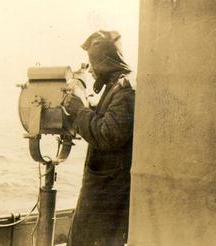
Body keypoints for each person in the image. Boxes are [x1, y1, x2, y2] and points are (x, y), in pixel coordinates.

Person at [63, 30, 135, 246]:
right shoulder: (116, 88)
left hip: (108, 194)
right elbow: (107, 116)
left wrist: (79, 111)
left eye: (93, 63)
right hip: (103, 188)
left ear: (105, 61)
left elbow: (107, 134)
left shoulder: (125, 91)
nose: (91, 69)